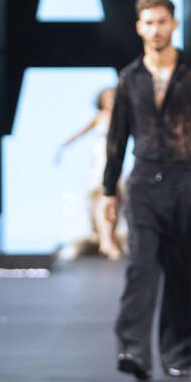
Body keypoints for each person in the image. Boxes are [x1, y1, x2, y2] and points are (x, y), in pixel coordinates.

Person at [102, 0, 191, 382]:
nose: (155, 29)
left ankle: (179, 353)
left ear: (174, 24)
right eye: (148, 23)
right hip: (144, 182)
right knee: (141, 267)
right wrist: (107, 192)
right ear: (139, 27)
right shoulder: (129, 77)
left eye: (162, 22)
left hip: (189, 181)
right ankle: (132, 349)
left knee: (189, 272)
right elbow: (117, 137)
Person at [57, 86, 125, 261]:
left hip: (117, 158)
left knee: (116, 199)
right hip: (102, 158)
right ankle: (105, 240)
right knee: (103, 196)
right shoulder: (100, 118)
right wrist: (64, 146)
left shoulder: (122, 117)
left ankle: (110, 237)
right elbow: (80, 133)